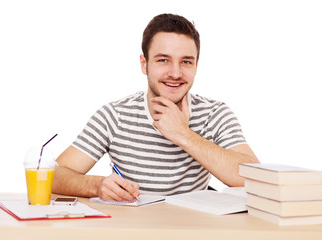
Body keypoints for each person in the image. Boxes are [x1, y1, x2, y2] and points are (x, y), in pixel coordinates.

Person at [52, 13, 259, 202]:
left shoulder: (215, 115)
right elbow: (53, 176)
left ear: (196, 65)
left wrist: (182, 135)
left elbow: (256, 179)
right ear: (144, 64)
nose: (175, 73)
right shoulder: (114, 116)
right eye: (163, 60)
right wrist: (96, 186)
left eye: (186, 62)